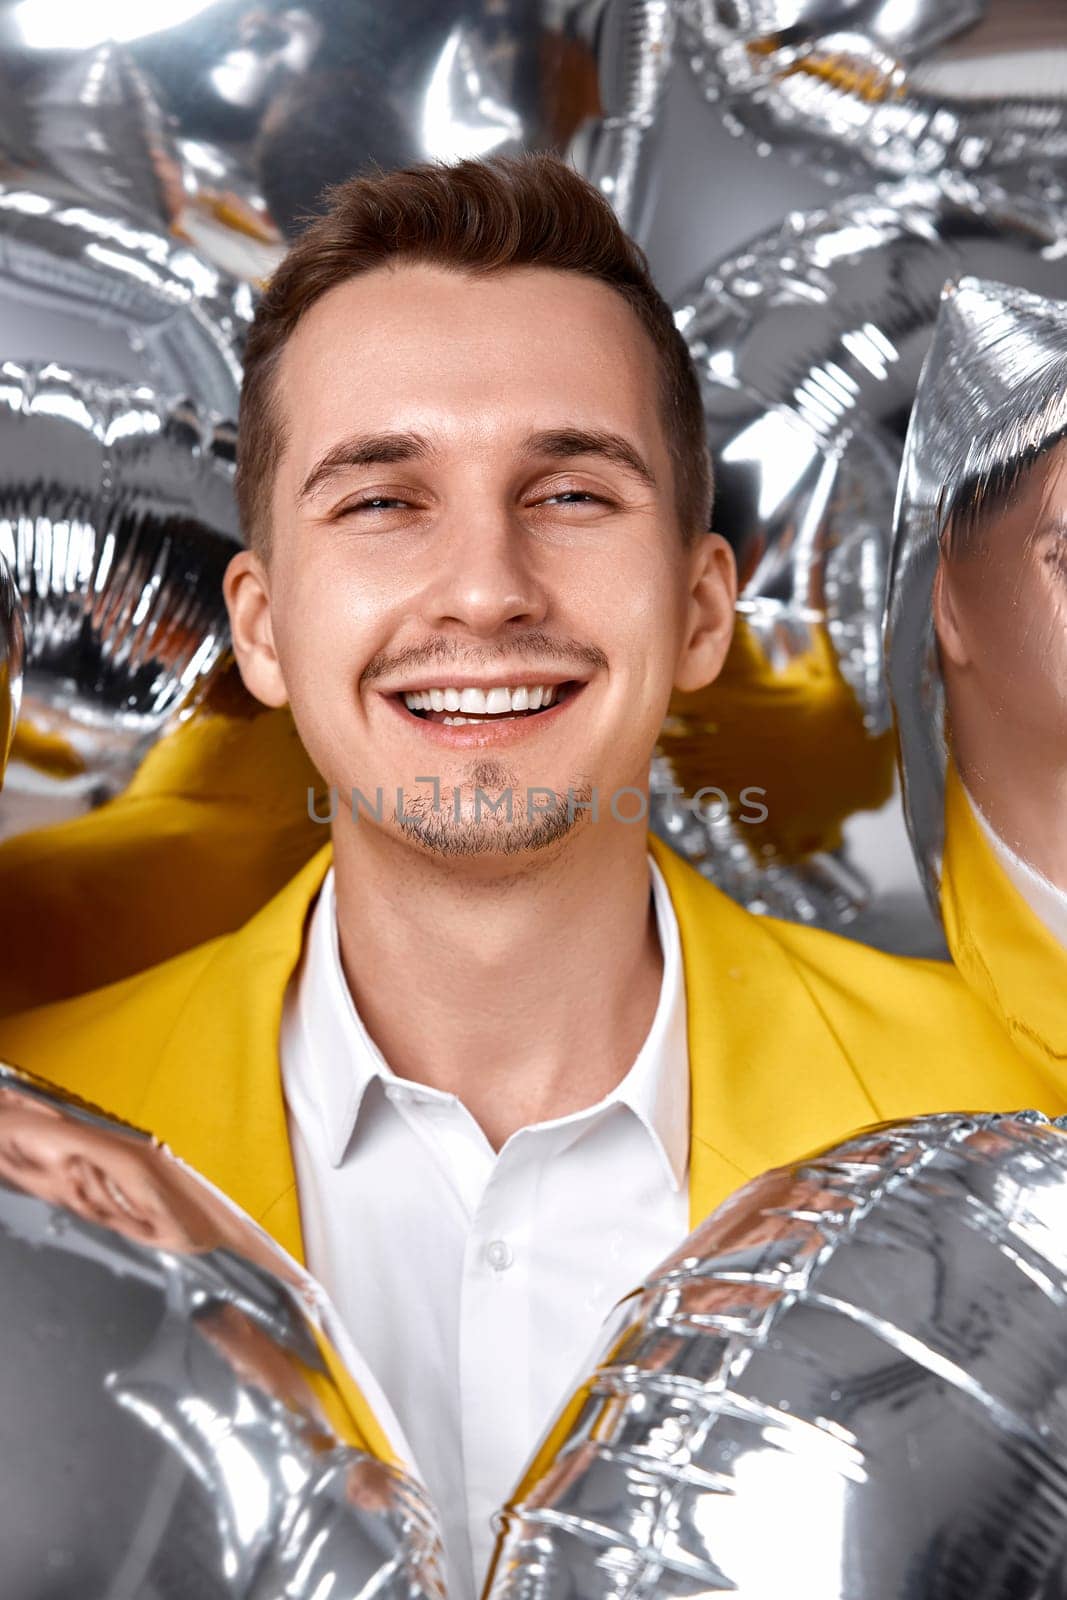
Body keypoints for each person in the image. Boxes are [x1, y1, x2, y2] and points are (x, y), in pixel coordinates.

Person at [0, 152, 1057, 1598]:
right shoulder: (27, 1156)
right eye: (382, 502)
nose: (488, 585)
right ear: (259, 624)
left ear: (699, 611)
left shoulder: (1023, 1134)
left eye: (569, 493)